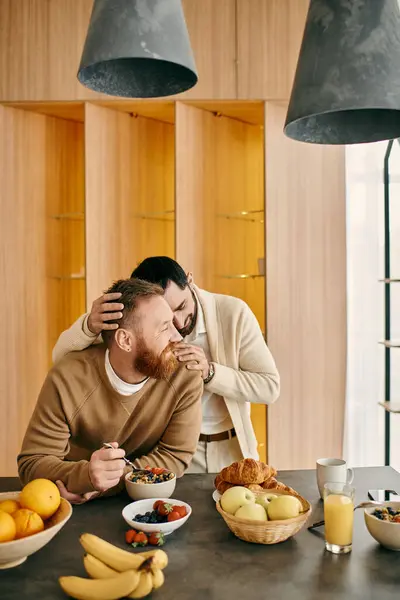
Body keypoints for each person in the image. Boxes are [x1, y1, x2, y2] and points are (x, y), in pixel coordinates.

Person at [52, 257, 280, 473]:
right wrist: (88, 325)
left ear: (190, 281)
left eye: (181, 307)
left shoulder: (233, 313)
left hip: (231, 449)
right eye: (166, 318)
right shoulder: (139, 322)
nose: (178, 324)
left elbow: (269, 387)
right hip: (168, 452)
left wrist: (211, 373)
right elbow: (61, 358)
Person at [18, 278, 203, 503]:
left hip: (147, 501)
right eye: (164, 328)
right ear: (125, 340)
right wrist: (83, 475)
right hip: (73, 506)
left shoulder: (186, 374)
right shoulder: (68, 376)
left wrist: (109, 481)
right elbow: (32, 463)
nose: (177, 336)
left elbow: (176, 455)